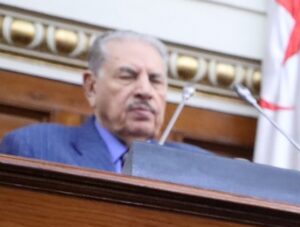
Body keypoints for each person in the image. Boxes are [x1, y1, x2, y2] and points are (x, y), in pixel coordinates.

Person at [0, 30, 201, 171]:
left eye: (155, 80)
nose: (145, 91)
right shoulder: (33, 148)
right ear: (91, 87)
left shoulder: (198, 166)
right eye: (127, 76)